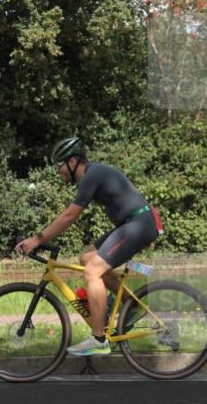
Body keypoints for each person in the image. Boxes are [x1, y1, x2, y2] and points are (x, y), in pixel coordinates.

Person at [14, 137, 162, 356]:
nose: (58, 171)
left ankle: (98, 338)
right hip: (135, 223)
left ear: (73, 162)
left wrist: (38, 239)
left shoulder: (91, 175)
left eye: (60, 165)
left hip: (139, 224)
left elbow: (70, 215)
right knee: (86, 258)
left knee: (93, 270)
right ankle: (130, 305)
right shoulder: (94, 174)